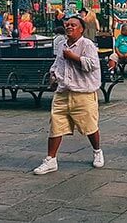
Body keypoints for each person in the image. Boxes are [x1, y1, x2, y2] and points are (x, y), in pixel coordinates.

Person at [33, 16, 104, 175]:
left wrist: (74, 57)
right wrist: (53, 76)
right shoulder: (61, 44)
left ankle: (97, 151)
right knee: (55, 125)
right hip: (63, 92)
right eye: (67, 25)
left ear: (81, 29)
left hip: (83, 92)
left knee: (89, 126)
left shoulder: (87, 45)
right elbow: (57, 63)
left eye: (73, 25)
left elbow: (93, 65)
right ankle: (51, 159)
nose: (69, 27)